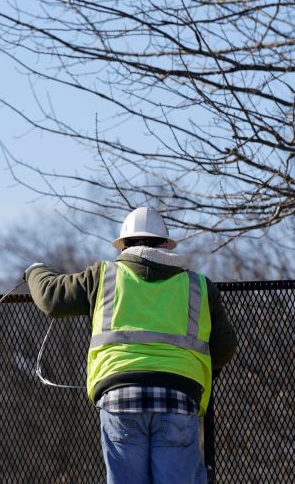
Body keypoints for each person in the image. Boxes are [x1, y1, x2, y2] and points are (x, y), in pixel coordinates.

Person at [24, 207, 237, 484]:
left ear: (123, 246)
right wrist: (198, 373)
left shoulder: (103, 277)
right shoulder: (198, 286)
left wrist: (35, 271)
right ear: (164, 244)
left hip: (119, 398)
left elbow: (51, 297)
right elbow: (224, 347)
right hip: (178, 397)